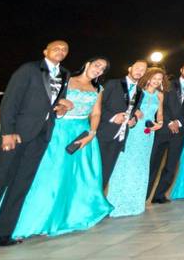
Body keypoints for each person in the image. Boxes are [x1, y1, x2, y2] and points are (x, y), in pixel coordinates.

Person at [0, 42, 71, 253]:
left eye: (64, 49)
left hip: (41, 136)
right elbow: (10, 101)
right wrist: (7, 132)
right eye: (56, 48)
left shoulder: (65, 74)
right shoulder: (29, 69)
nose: (60, 51)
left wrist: (61, 108)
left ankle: (3, 234)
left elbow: (52, 103)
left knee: (20, 186)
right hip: (16, 135)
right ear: (45, 51)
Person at [10, 57, 112, 241]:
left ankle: (65, 217)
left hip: (81, 135)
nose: (99, 70)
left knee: (73, 178)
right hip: (59, 132)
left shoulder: (98, 89)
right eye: (97, 65)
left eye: (103, 69)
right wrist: (61, 107)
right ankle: (32, 221)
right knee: (48, 176)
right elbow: (48, 102)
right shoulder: (66, 80)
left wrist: (92, 132)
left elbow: (96, 113)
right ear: (87, 63)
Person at [107, 67, 164, 217]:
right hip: (134, 130)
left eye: (160, 79)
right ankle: (117, 200)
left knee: (141, 164)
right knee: (126, 162)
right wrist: (135, 112)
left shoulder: (160, 95)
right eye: (155, 78)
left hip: (148, 134)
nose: (157, 81)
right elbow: (129, 107)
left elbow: (160, 113)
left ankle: (136, 202)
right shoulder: (139, 91)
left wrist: (160, 123)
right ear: (149, 78)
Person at [149, 62, 184, 203]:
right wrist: (170, 121)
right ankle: (144, 193)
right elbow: (161, 105)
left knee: (171, 165)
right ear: (181, 69)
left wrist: (178, 122)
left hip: (180, 131)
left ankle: (159, 195)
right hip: (163, 129)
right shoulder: (169, 83)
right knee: (154, 162)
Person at [98, 59, 147, 186]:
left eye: (143, 70)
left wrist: (134, 121)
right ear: (130, 68)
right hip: (103, 133)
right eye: (137, 68)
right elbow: (97, 106)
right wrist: (113, 117)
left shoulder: (140, 93)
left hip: (120, 137)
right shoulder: (112, 84)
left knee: (107, 171)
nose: (139, 72)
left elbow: (133, 112)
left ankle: (98, 199)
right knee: (94, 168)